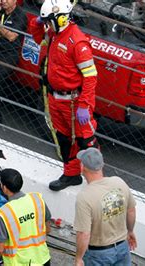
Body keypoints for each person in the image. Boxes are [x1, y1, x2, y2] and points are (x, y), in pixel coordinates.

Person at [31, 0, 99, 191]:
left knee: (86, 141)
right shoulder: (54, 35)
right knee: (63, 139)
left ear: (60, 19)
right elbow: (38, 38)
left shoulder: (77, 42)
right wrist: (37, 23)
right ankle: (71, 174)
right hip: (56, 99)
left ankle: (98, 181)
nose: (46, 25)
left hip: (75, 102)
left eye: (48, 21)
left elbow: (90, 76)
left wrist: (84, 105)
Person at [74, 147, 137, 266]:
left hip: (98, 254)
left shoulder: (85, 197)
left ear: (82, 167)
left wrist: (79, 258)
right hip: (123, 247)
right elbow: (131, 211)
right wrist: (130, 231)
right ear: (102, 165)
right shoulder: (119, 182)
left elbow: (84, 234)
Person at [0, 168, 51, 266]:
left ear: (5, 188)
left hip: (19, 263)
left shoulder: (4, 213)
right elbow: (47, 229)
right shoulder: (37, 200)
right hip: (43, 259)